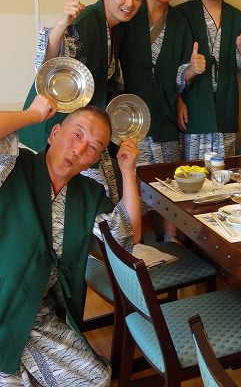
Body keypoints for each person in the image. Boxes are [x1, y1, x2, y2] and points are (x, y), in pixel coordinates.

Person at [0, 95, 141, 385]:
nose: (79, 150)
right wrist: (33, 114)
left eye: (93, 147)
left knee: (96, 379)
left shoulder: (88, 194)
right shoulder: (13, 165)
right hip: (3, 300)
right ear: (54, 133)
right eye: (77, 134)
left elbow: (127, 237)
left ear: (95, 159)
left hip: (33, 313)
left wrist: (129, 170)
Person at [19, 0, 144, 203]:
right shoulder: (86, 21)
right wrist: (62, 25)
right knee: (63, 197)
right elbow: (50, 64)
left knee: (93, 195)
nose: (130, 3)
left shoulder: (115, 27)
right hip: (56, 125)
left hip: (84, 128)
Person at [177, 0, 241, 159]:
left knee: (225, 170)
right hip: (192, 106)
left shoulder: (240, 20)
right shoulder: (180, 15)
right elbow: (168, 67)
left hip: (226, 105)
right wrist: (177, 100)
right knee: (191, 170)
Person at [120, 0, 199, 166]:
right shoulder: (127, 11)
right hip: (127, 116)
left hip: (165, 115)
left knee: (166, 179)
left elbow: (180, 77)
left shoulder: (179, 22)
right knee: (130, 177)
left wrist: (191, 71)